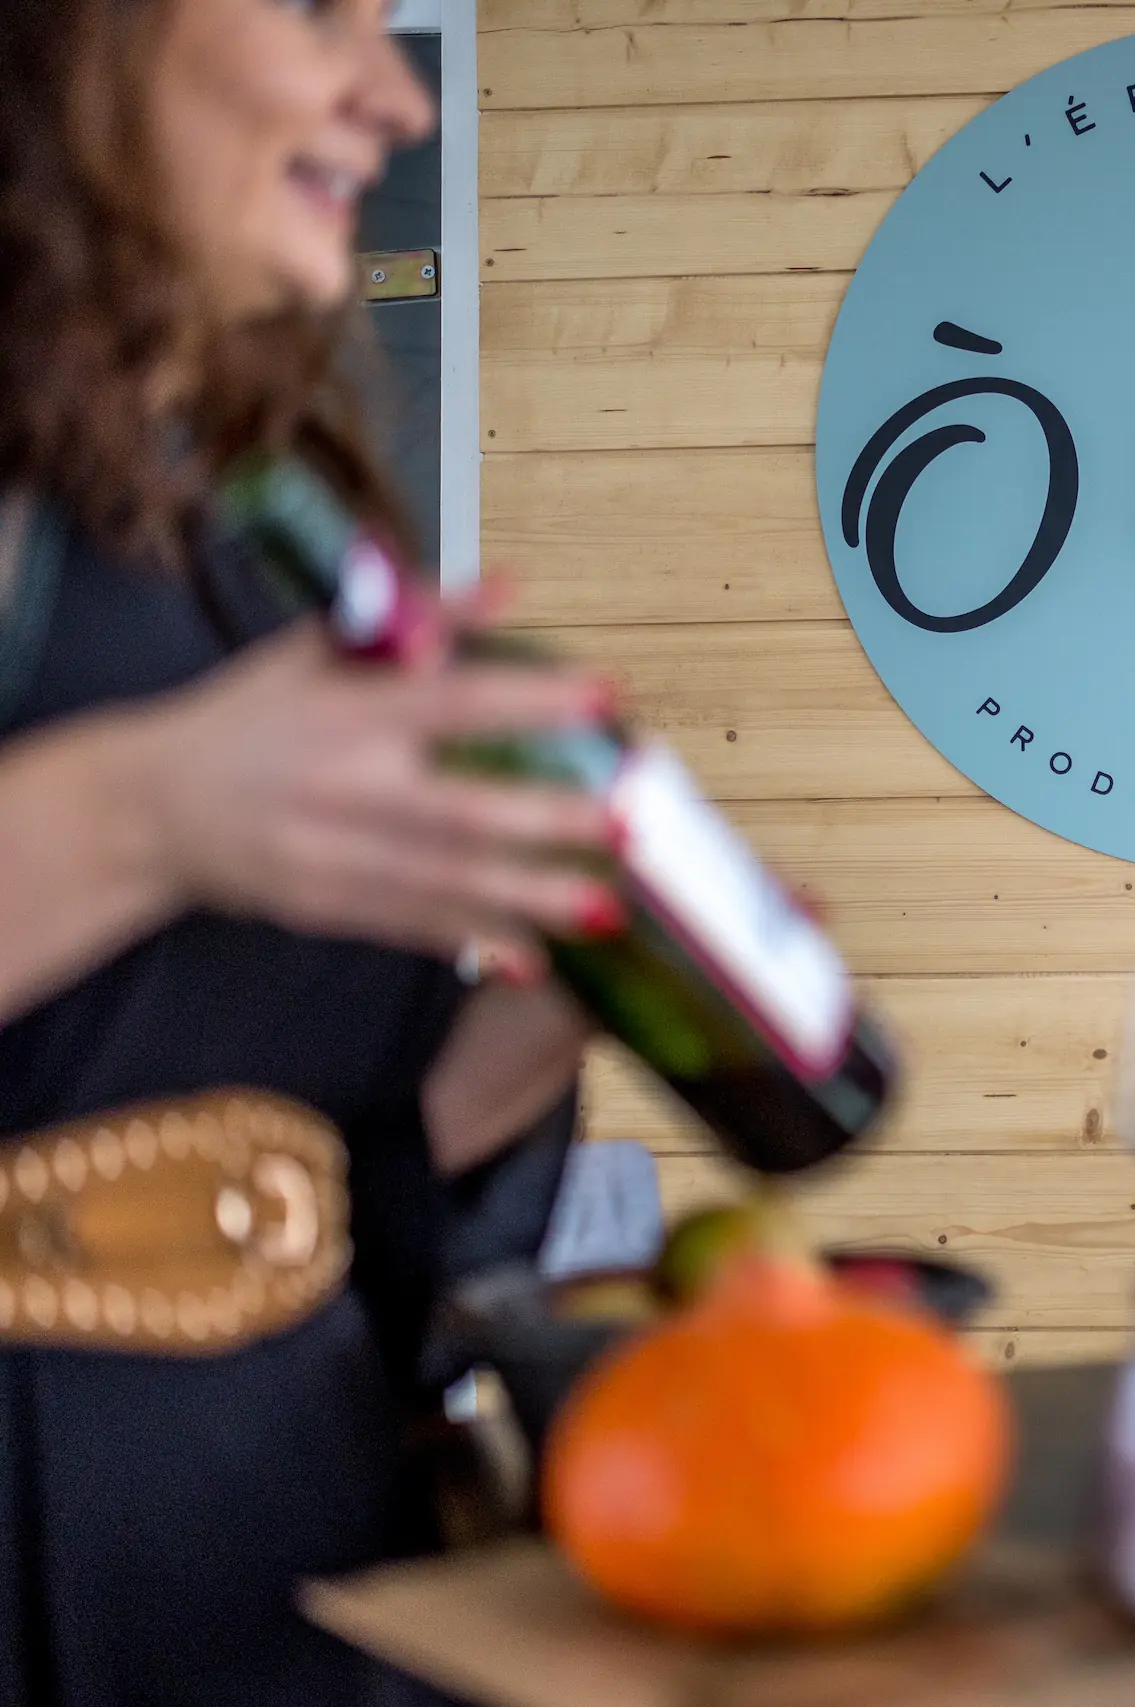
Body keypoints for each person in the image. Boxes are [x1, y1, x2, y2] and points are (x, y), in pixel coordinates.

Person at [0, 0, 618, 1698]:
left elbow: (277, 1148)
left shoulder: (267, 516)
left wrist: (548, 1019)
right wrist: (151, 809)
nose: (396, 93)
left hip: (282, 1521)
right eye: (317, 10)